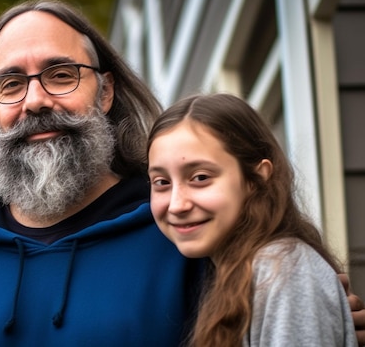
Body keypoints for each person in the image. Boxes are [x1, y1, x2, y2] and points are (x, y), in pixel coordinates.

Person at [0, 0, 365, 347]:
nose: (36, 100)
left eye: (61, 75)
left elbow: (291, 303)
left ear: (106, 92)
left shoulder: (194, 238)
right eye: (11, 84)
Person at [147, 93, 358, 346]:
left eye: (200, 177)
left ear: (256, 179)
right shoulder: (228, 274)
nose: (177, 204)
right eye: (161, 182)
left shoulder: (282, 269)